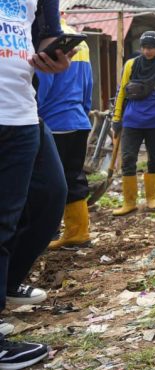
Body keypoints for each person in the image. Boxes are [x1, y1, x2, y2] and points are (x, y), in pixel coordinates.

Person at [0, 0, 69, 370]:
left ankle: (4, 286)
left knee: (49, 198)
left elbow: (43, 31)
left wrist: (54, 53)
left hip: (21, 107)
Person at [111, 31, 155, 215]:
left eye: (151, 48)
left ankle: (152, 199)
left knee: (154, 160)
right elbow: (121, 93)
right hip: (132, 121)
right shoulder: (131, 65)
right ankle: (129, 202)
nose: (147, 51)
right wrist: (116, 118)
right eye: (144, 47)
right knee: (128, 159)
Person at [38, 22, 93, 249]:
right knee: (73, 176)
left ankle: (47, 235)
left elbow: (43, 84)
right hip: (78, 120)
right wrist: (84, 110)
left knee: (46, 182)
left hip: (53, 122)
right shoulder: (80, 42)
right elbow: (88, 83)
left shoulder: (46, 37)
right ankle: (78, 234)